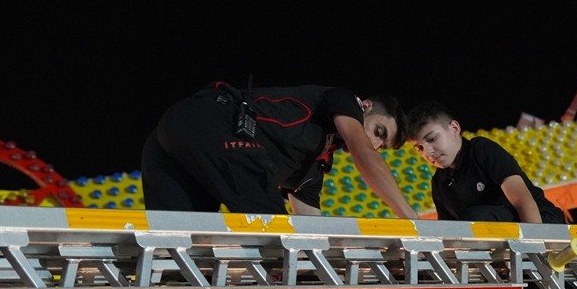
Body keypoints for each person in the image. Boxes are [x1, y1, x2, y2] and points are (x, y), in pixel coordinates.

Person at [141, 81, 417, 218]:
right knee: (273, 229)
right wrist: (412, 221)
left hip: (176, 144)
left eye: (383, 145)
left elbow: (310, 227)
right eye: (379, 132)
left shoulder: (311, 169)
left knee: (180, 244)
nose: (376, 145)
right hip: (210, 118)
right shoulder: (341, 99)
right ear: (365, 106)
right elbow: (364, 155)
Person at [406, 102, 565, 223]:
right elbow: (449, 229)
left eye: (432, 139)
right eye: (419, 148)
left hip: (540, 221)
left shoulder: (481, 150)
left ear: (454, 128)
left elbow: (522, 199)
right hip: (497, 239)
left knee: (474, 217)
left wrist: (535, 247)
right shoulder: (439, 183)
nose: (428, 152)